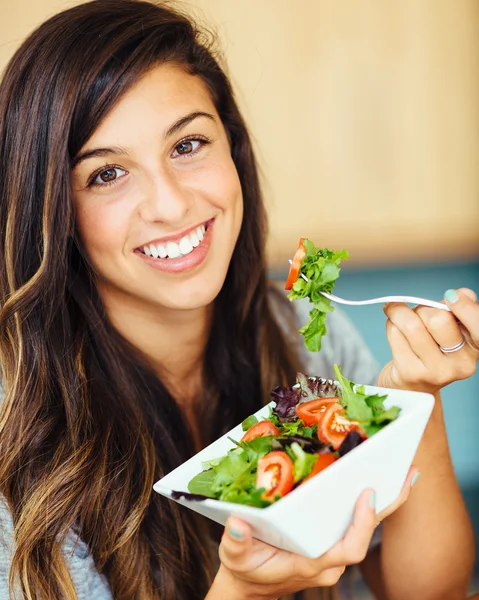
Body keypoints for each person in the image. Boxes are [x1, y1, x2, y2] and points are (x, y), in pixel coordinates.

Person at [0, 1, 477, 599]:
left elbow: (430, 592)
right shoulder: (15, 437)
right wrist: (244, 591)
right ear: (53, 215)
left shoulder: (303, 330)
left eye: (187, 145)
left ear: (234, 150)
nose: (170, 205)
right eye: (106, 175)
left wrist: (415, 397)